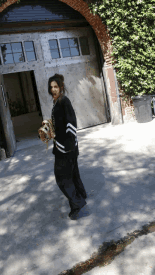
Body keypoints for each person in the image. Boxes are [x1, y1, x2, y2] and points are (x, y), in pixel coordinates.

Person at [48, 73, 89, 220]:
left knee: (62, 178)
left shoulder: (64, 102)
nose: (53, 89)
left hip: (66, 148)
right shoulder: (57, 102)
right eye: (51, 87)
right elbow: (60, 123)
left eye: (56, 87)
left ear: (61, 87)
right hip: (64, 147)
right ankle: (82, 194)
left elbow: (71, 125)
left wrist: (68, 146)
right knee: (73, 174)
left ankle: (77, 203)